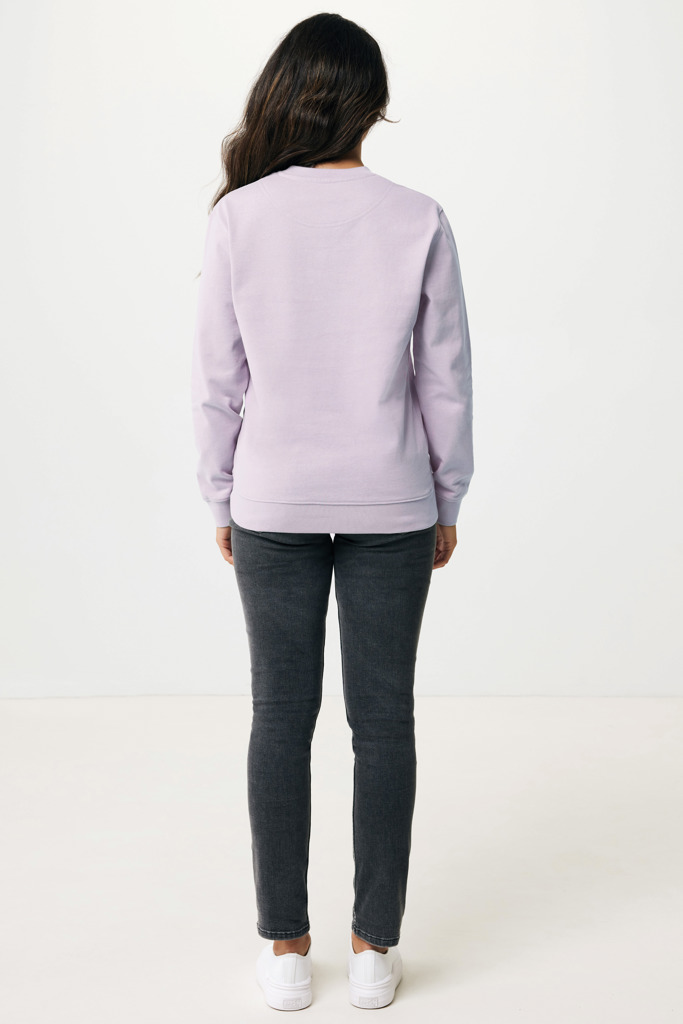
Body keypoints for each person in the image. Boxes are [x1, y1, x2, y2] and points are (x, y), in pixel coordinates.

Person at [190, 12, 474, 1011]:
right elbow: (443, 378)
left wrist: (221, 495)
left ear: (284, 97)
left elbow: (217, 380)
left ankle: (284, 949)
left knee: (279, 718)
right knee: (382, 723)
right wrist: (445, 494)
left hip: (270, 497)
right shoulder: (417, 217)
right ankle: (371, 949)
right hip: (392, 499)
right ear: (372, 107)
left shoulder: (239, 218)